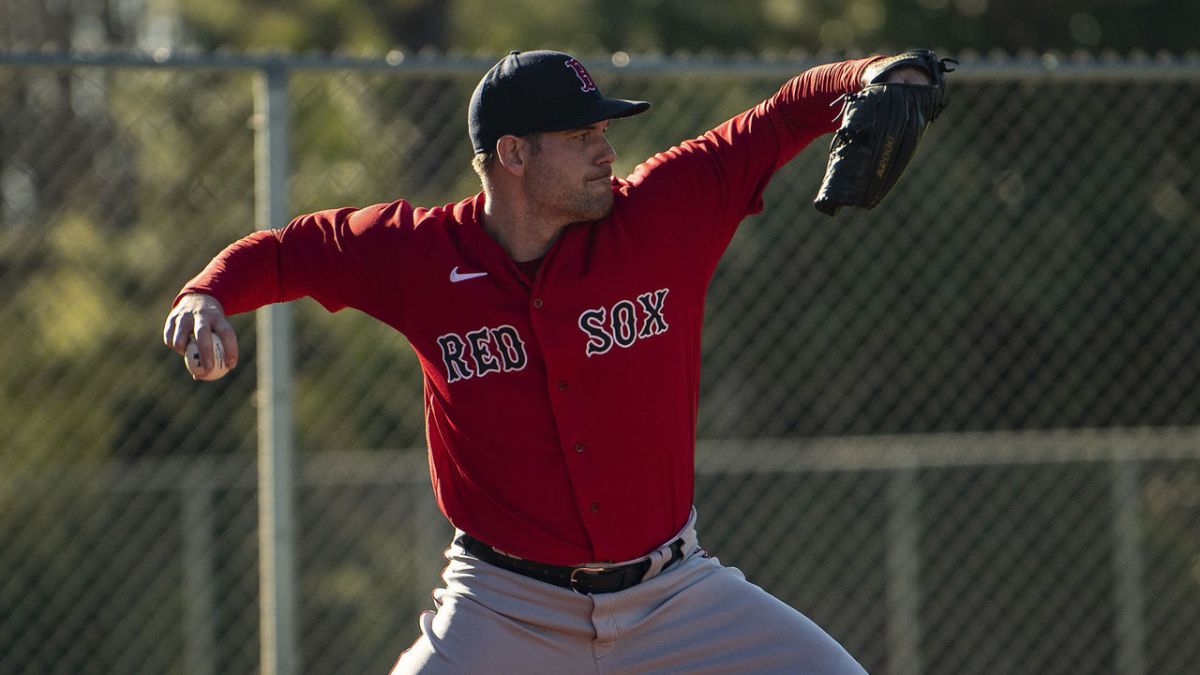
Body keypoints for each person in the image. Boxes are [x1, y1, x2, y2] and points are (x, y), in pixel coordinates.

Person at [164, 49, 930, 674]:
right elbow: (289, 251)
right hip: (504, 607)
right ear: (513, 154)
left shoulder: (662, 212)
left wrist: (875, 74)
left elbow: (777, 119)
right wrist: (207, 294)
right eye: (581, 136)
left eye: (603, 130)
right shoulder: (419, 256)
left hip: (673, 595)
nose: (607, 149)